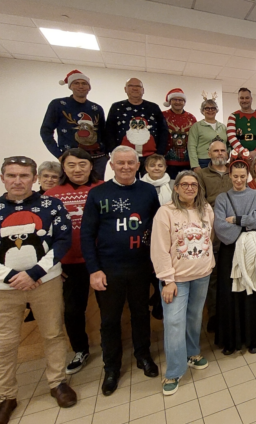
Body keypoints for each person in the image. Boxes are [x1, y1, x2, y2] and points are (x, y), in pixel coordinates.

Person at [0, 156, 77, 424]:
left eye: (24, 175)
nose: (18, 181)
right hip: (3, 289)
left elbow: (63, 240)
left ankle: (57, 382)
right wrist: (11, 276)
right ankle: (6, 397)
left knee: (53, 333)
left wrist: (36, 272)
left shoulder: (51, 205)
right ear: (2, 178)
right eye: (12, 175)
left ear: (34, 178)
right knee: (4, 343)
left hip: (46, 282)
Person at [81, 146, 161, 396]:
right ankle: (112, 368)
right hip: (109, 270)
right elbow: (87, 235)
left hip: (141, 267)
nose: (126, 167)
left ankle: (143, 356)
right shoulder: (98, 194)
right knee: (109, 321)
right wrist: (94, 270)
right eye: (120, 163)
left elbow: (158, 227)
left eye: (131, 162)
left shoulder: (148, 191)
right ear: (112, 165)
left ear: (138, 165)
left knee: (140, 315)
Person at [151, 170, 214, 396]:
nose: (190, 188)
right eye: (184, 184)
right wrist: (167, 279)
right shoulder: (165, 213)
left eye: (194, 185)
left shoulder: (206, 209)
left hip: (202, 274)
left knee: (194, 317)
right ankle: (174, 371)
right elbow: (159, 248)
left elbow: (209, 237)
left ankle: (192, 353)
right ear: (176, 188)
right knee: (174, 323)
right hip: (176, 280)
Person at [45, 149, 103, 375]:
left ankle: (110, 343)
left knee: (107, 306)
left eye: (82, 164)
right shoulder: (51, 195)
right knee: (72, 310)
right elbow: (45, 233)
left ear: (91, 167)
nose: (77, 169)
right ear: (64, 168)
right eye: (71, 165)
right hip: (68, 263)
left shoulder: (102, 188)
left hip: (100, 260)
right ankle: (80, 349)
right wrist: (53, 264)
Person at [213, 157, 256, 354]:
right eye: (235, 176)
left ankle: (254, 338)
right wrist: (246, 227)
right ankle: (231, 340)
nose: (238, 180)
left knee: (251, 291)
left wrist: (237, 220)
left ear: (248, 176)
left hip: (251, 250)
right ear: (229, 176)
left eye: (242, 176)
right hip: (230, 251)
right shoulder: (222, 199)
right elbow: (220, 226)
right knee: (230, 295)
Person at [195, 138, 233, 332]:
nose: (220, 154)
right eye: (215, 151)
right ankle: (214, 316)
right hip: (213, 233)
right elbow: (198, 202)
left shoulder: (234, 172)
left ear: (227, 154)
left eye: (222, 151)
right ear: (209, 154)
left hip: (235, 231)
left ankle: (233, 314)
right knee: (214, 277)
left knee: (234, 274)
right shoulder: (202, 175)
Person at [40, 70, 107, 179]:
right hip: (71, 157)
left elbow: (103, 132)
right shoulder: (58, 105)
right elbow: (46, 131)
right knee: (71, 190)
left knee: (97, 191)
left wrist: (105, 155)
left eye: (84, 83)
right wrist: (59, 155)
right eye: (76, 83)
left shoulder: (96, 108)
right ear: (70, 86)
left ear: (89, 87)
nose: (80, 86)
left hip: (97, 158)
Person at [105, 78, 169, 175]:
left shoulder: (153, 107)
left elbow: (163, 130)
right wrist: (114, 152)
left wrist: (159, 153)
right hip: (125, 158)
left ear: (143, 90)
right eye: (131, 86)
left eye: (138, 86)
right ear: (125, 89)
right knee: (126, 185)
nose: (135, 88)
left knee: (151, 185)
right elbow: (109, 131)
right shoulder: (117, 107)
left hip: (150, 157)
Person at [141, 153, 172, 320]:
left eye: (160, 165)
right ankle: (154, 297)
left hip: (168, 233)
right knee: (150, 267)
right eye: (152, 165)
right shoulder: (139, 186)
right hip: (147, 232)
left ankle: (160, 300)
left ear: (165, 168)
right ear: (146, 168)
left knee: (164, 267)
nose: (156, 168)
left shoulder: (172, 185)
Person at [162, 88, 197, 178]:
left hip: (188, 162)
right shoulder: (162, 116)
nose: (178, 102)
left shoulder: (191, 118)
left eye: (180, 100)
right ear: (170, 101)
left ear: (184, 102)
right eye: (175, 99)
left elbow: (195, 139)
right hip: (167, 162)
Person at [227, 87, 256, 160]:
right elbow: (231, 137)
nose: (244, 100)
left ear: (251, 99)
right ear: (238, 99)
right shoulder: (233, 116)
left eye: (247, 98)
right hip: (239, 156)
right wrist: (244, 152)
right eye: (242, 98)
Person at [188, 96, 226, 169]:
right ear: (202, 110)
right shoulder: (196, 126)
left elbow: (228, 145)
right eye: (207, 108)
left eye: (213, 108)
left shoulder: (223, 127)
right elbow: (191, 147)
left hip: (221, 161)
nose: (210, 110)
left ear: (216, 110)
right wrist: (195, 166)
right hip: (203, 162)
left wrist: (226, 156)